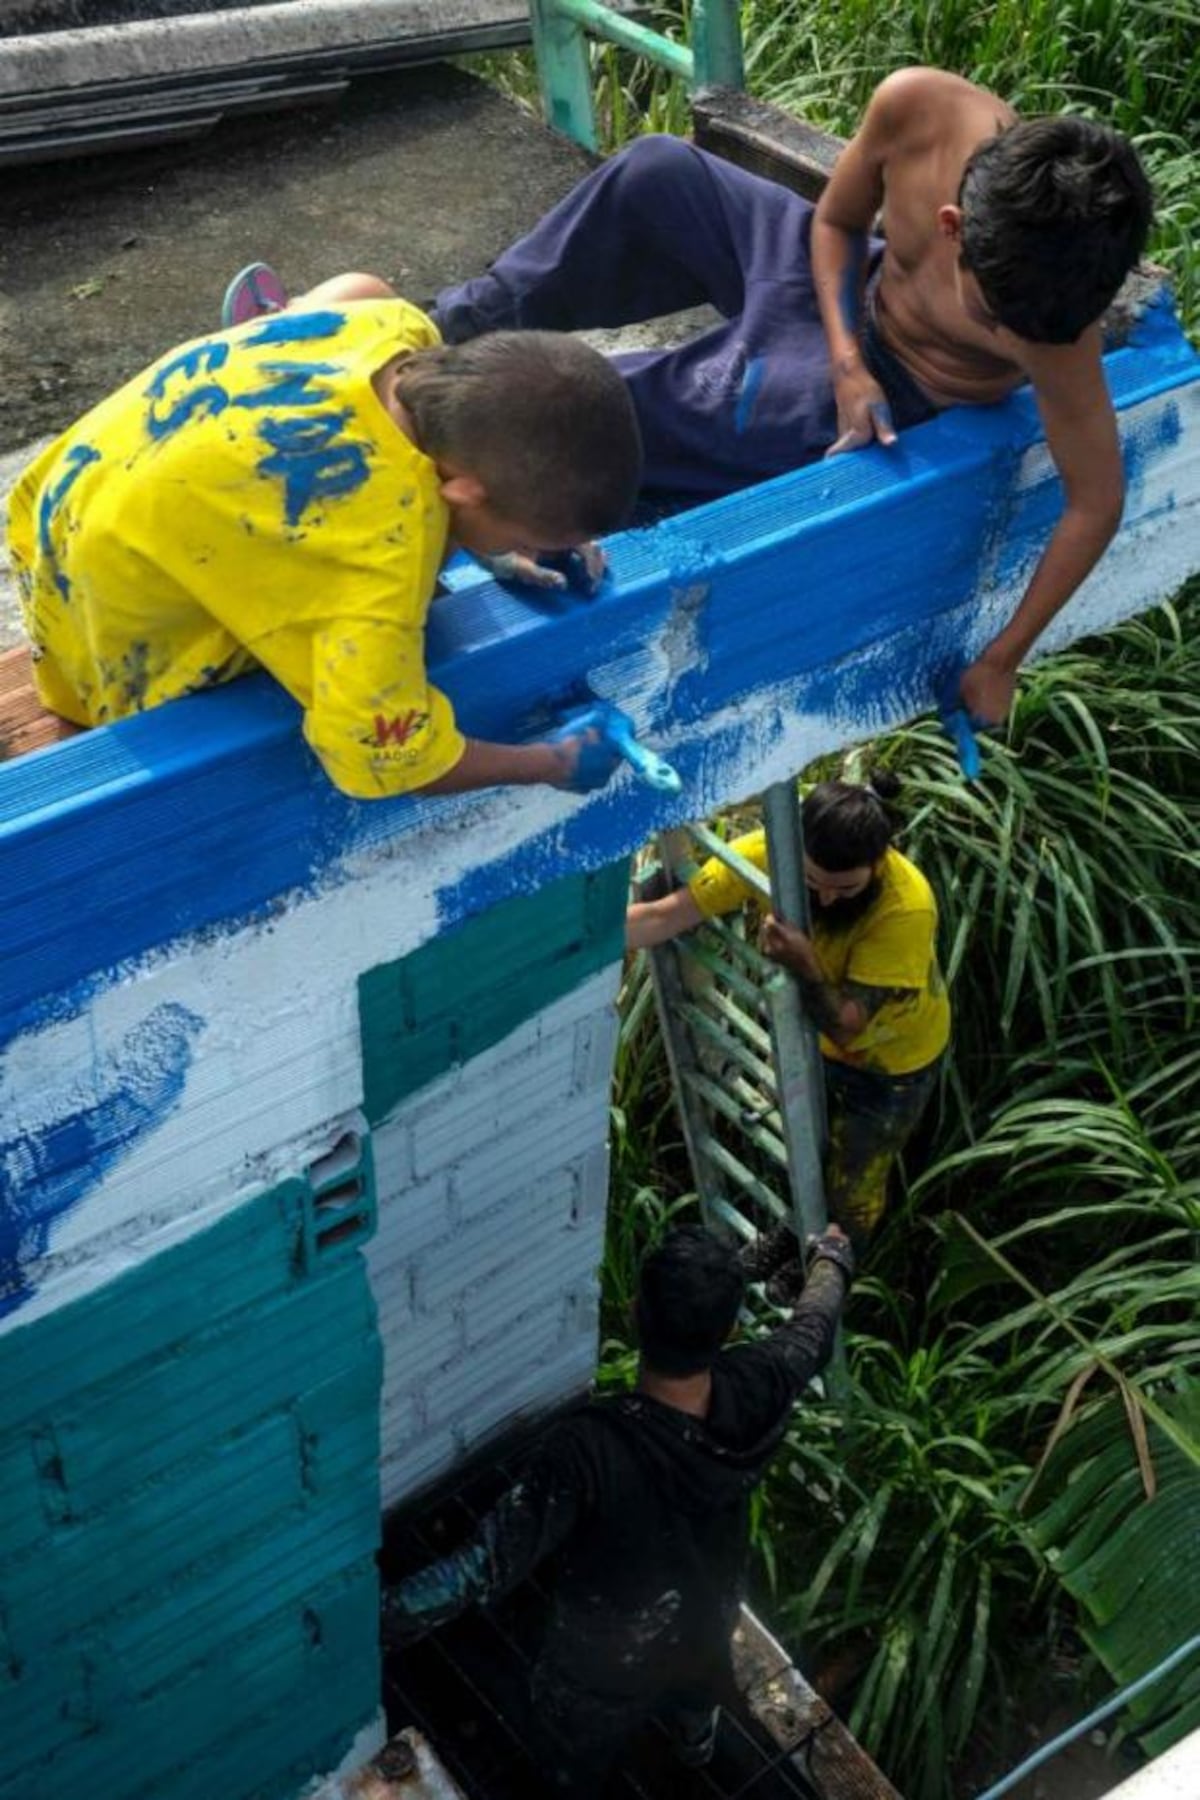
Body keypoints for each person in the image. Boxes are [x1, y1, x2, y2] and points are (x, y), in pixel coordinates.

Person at [431, 67, 1154, 720]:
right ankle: (446, 332)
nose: (1017, 339)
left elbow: (1096, 501)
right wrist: (847, 359)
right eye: (993, 316)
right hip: (841, 289)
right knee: (658, 172)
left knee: (602, 408)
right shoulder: (921, 109)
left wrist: (1002, 658)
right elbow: (836, 222)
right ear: (952, 228)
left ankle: (465, 452)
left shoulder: (1057, 320)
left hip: (896, 384)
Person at [6, 269, 643, 799]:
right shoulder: (375, 567)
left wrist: (507, 534)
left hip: (60, 514)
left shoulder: (392, 329)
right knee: (411, 619)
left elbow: (358, 286)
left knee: (353, 288)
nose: (528, 545)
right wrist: (547, 763)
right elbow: (393, 760)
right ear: (464, 492)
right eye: (525, 531)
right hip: (112, 652)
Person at [381, 1220, 853, 1796]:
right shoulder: (757, 1384)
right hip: (706, 1618)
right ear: (728, 1330)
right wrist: (832, 1258)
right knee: (697, 1691)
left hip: (604, 1659)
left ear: (634, 1312)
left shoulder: (587, 1452)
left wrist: (373, 1623)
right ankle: (694, 1745)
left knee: (575, 1750)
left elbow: (479, 1569)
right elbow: (813, 1329)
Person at [626, 774, 950, 1251]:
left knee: (853, 1185)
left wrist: (803, 963)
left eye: (845, 888)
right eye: (811, 881)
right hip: (813, 1040)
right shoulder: (766, 854)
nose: (825, 899)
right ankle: (794, 1236)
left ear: (880, 862)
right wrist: (570, 940)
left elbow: (845, 1027)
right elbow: (666, 916)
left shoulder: (906, 909)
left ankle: (832, 1277)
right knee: (806, 1153)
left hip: (892, 1066)